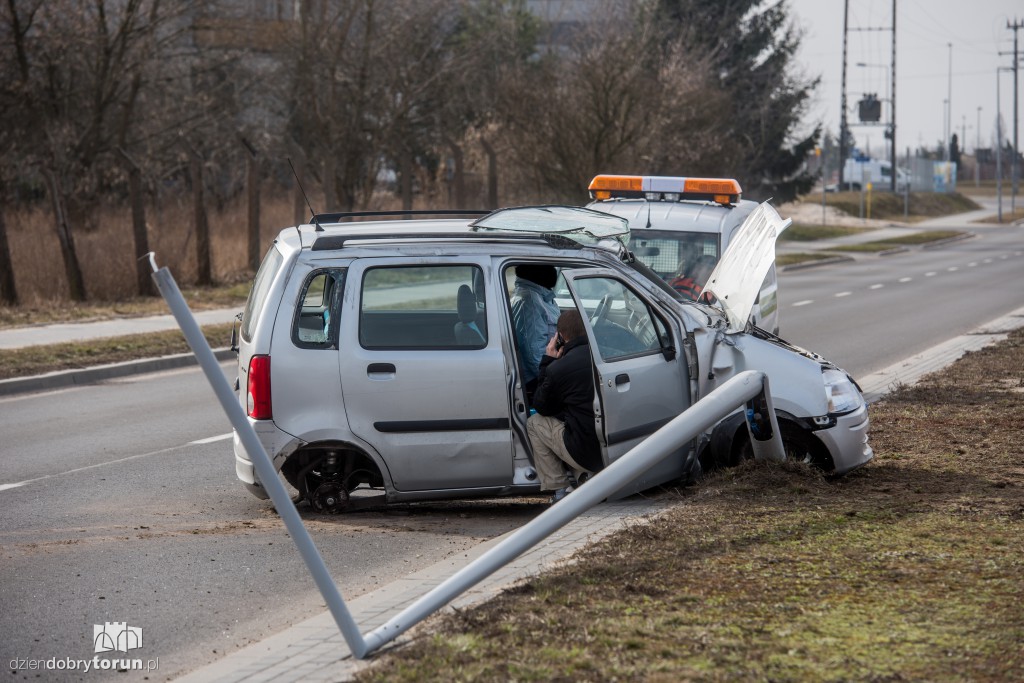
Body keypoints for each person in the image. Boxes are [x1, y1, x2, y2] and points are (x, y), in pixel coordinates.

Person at [527, 310, 602, 502]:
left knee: (535, 423)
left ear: (560, 336)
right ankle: (584, 477)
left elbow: (541, 406)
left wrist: (548, 362)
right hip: (611, 447)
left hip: (583, 452)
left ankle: (560, 488)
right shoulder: (605, 357)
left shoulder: (558, 369)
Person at [510, 264, 560, 398]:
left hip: (547, 368)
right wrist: (552, 382)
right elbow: (534, 355)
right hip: (536, 379)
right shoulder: (530, 301)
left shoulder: (539, 296)